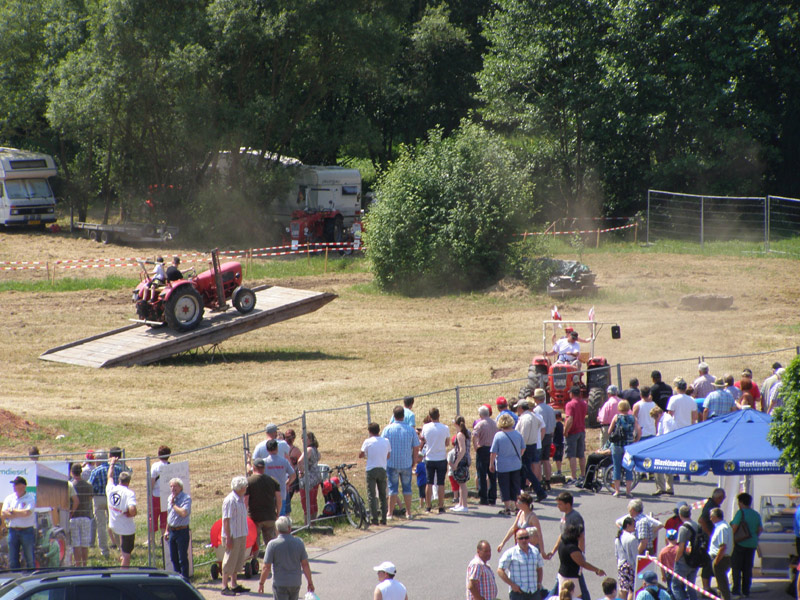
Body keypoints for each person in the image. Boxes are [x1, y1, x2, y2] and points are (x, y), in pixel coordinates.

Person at [260, 516, 315, 600]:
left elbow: (266, 567)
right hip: (295, 582)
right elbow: (305, 565)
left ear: (277, 530)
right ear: (289, 528)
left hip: (280, 583)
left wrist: (261, 583)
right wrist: (310, 582)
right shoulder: (299, 543)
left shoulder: (272, 545)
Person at [383, 405, 420, 519]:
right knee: (407, 488)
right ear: (403, 416)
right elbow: (416, 447)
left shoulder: (387, 429)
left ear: (394, 416)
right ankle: (408, 512)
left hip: (392, 463)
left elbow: (383, 444)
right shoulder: (410, 430)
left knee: (392, 488)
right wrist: (414, 460)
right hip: (406, 463)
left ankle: (390, 513)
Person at [88, 447, 124, 558]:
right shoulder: (117, 469)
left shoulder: (95, 471)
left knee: (101, 525)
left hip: (99, 498)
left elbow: (90, 486)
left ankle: (104, 550)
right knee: (115, 522)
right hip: (113, 498)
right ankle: (120, 546)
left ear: (98, 460)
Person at [557, 523, 605, 598]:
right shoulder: (572, 549)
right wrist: (597, 570)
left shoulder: (563, 543)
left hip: (564, 575)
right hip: (570, 578)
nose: (583, 535)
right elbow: (583, 563)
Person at [490, 413, 525, 515]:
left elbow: (494, 452)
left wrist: (491, 464)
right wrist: (518, 456)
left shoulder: (498, 436)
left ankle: (507, 508)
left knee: (504, 486)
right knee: (515, 486)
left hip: (502, 465)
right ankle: (517, 506)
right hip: (516, 464)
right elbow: (523, 448)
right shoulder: (518, 434)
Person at [497, 527, 545, 600]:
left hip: (534, 592)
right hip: (518, 593)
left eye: (526, 537)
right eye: (521, 538)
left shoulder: (535, 551)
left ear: (529, 538)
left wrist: (539, 583)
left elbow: (539, 568)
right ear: (516, 539)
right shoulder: (510, 553)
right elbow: (500, 570)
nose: (524, 540)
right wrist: (512, 585)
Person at [730, 492, 763, 599]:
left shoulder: (741, 513)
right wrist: (754, 536)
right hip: (752, 543)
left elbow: (734, 527)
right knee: (747, 568)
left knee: (736, 567)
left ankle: (736, 590)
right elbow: (760, 529)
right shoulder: (756, 514)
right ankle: (746, 590)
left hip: (740, 543)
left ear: (741, 502)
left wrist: (731, 539)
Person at [221, 476, 249, 596]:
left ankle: (234, 584)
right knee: (229, 560)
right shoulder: (230, 500)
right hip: (232, 535)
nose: (247, 488)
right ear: (241, 488)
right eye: (245, 486)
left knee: (238, 559)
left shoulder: (241, 499)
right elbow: (226, 520)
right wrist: (228, 537)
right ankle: (224, 586)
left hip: (241, 533)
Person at [106, 457, 137, 567]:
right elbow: (132, 510)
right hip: (126, 528)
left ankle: (122, 561)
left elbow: (109, 476)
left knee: (122, 549)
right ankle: (124, 573)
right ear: (128, 482)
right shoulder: (129, 493)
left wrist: (112, 464)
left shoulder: (110, 489)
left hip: (113, 525)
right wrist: (131, 513)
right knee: (126, 554)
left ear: (119, 480)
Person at [607, 400, 641, 497]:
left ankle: (617, 490)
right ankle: (628, 491)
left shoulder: (616, 417)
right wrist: (636, 440)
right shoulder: (632, 418)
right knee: (628, 468)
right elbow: (638, 430)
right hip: (628, 446)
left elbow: (609, 431)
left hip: (617, 445)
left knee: (616, 467)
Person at [515, 400, 547, 502]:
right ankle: (522, 491)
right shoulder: (533, 416)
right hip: (532, 445)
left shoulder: (525, 419)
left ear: (521, 408)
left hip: (526, 446)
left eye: (517, 408)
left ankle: (540, 491)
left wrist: (521, 450)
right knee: (524, 471)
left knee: (527, 470)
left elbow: (523, 436)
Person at [497, 492, 546, 558]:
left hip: (531, 548)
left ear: (525, 504)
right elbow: (513, 528)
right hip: (521, 546)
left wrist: (542, 551)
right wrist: (503, 543)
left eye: (519, 502)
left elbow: (539, 534)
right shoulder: (520, 513)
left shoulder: (533, 517)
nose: (516, 504)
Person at [360, 422, 391, 525]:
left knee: (371, 494)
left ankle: (374, 518)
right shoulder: (386, 441)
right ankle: (384, 518)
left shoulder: (367, 441)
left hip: (371, 469)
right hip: (382, 468)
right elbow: (388, 455)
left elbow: (361, 454)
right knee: (383, 494)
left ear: (369, 432)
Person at [247, 457, 281, 548]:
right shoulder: (273, 481)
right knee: (271, 543)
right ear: (264, 468)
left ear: (253, 467)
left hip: (254, 517)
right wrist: (278, 513)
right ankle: (273, 559)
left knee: (255, 543)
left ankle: (255, 560)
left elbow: (245, 501)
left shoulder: (249, 482)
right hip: (270, 516)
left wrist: (245, 515)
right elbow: (279, 499)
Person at [2, 475, 35, 568]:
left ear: (23, 486)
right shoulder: (9, 498)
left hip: (27, 531)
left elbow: (26, 513)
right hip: (12, 530)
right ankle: (15, 578)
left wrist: (12, 511)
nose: (14, 487)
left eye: (16, 485)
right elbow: (4, 513)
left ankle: (31, 578)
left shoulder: (30, 498)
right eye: (14, 485)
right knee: (12, 559)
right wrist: (18, 513)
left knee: (29, 558)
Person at [421, 407, 450, 514]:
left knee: (429, 482)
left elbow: (423, 439)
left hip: (429, 457)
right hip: (441, 457)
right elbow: (447, 443)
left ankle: (428, 506)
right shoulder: (445, 428)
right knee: (441, 483)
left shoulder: (425, 427)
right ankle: (441, 506)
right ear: (439, 415)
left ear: (429, 416)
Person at [698, 488, 726, 591]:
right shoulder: (710, 506)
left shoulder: (713, 505)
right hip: (708, 540)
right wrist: (710, 535)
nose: (723, 500)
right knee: (708, 563)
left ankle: (708, 586)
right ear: (718, 497)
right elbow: (701, 520)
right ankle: (706, 587)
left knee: (710, 563)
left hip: (711, 539)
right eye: (723, 498)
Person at [671, 503, 700, 600]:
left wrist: (676, 559)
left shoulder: (683, 528)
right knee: (691, 586)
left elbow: (681, 546)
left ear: (680, 515)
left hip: (684, 561)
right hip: (695, 560)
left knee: (676, 585)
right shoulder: (696, 525)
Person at [165, 477, 192, 579]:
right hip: (172, 531)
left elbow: (184, 513)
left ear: (180, 487)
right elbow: (170, 515)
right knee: (174, 558)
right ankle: (177, 578)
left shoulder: (186, 498)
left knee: (182, 558)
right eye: (171, 486)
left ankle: (185, 579)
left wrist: (173, 505)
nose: (172, 488)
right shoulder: (169, 498)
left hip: (182, 531)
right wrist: (167, 530)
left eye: (175, 486)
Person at [474, 404, 499, 505]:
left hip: (483, 449)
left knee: (482, 474)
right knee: (492, 474)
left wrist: (476, 447)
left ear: (480, 414)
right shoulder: (495, 423)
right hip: (493, 450)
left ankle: (483, 498)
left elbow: (474, 435)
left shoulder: (480, 424)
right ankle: (492, 497)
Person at [69, 463, 94, 567]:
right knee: (85, 543)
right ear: (81, 472)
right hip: (86, 515)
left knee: (76, 543)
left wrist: (71, 512)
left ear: (72, 472)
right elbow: (90, 498)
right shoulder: (88, 485)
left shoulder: (71, 485)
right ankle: (85, 564)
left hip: (74, 516)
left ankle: (77, 564)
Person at [264, 439, 296, 519]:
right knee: (281, 518)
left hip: (268, 494)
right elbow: (293, 475)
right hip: (281, 492)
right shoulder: (284, 461)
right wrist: (287, 483)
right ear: (277, 448)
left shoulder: (264, 462)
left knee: (269, 518)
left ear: (267, 450)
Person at [533, 389, 556, 491]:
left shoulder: (536, 410)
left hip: (540, 436)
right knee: (546, 460)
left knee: (537, 460)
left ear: (536, 399)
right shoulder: (551, 408)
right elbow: (554, 424)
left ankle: (538, 481)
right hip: (549, 435)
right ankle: (548, 481)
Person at [564, 386, 587, 484]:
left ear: (572, 394)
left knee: (572, 455)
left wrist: (565, 431)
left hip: (572, 431)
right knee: (581, 454)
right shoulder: (584, 403)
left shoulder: (570, 404)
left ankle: (573, 476)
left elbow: (570, 419)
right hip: (581, 430)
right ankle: (582, 474)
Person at [651, 406, 676, 496]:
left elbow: (666, 435)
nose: (655, 420)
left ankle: (661, 488)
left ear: (658, 414)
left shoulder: (665, 420)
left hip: (665, 447)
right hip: (669, 446)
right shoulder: (665, 418)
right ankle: (669, 488)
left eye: (655, 417)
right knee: (667, 467)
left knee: (657, 466)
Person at [708, 508, 732, 600]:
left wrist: (716, 561)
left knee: (722, 584)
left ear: (715, 516)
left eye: (711, 516)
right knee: (720, 583)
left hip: (721, 559)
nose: (710, 519)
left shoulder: (722, 528)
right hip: (720, 558)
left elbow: (723, 547)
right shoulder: (720, 527)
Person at [298, 432, 322, 522]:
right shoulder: (315, 450)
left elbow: (299, 461)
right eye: (302, 438)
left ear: (311, 440)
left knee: (306, 501)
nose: (303, 440)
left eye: (306, 438)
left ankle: (307, 522)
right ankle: (313, 520)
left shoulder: (308, 450)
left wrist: (301, 472)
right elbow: (319, 457)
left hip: (308, 478)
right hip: (316, 476)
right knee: (313, 500)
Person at [450, 415, 472, 512]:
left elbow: (462, 450)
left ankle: (464, 505)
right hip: (466, 459)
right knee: (460, 483)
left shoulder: (460, 435)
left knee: (462, 484)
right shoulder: (467, 432)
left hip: (461, 460)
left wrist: (456, 463)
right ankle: (460, 503)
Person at [614, 517, 638, 600]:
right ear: (628, 525)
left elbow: (616, 554)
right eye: (633, 526)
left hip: (621, 566)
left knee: (623, 589)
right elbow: (635, 555)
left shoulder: (618, 538)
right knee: (631, 590)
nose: (634, 528)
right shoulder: (632, 539)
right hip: (630, 566)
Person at [150, 445, 171, 538]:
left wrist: (149, 492)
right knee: (164, 517)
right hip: (166, 495)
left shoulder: (155, 466)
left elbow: (152, 481)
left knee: (153, 517)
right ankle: (163, 536)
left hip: (156, 495)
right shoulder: (171, 466)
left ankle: (151, 539)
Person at [283, 429, 303, 516]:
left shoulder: (281, 448)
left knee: (286, 498)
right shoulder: (296, 451)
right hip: (290, 476)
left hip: (290, 476)